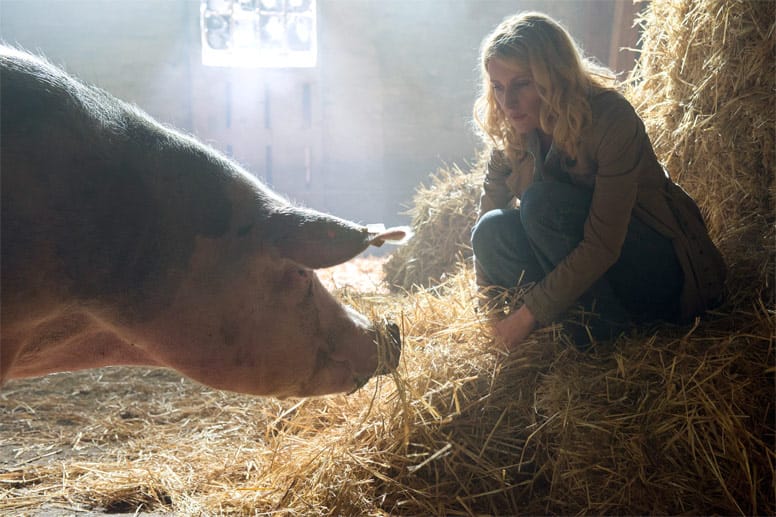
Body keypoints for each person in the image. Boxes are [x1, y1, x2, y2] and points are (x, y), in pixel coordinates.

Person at [470, 12, 726, 351]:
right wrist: (487, 313)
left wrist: (525, 316)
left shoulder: (610, 119)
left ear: (553, 77)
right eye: (498, 87)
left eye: (522, 84)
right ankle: (570, 325)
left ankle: (601, 336)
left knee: (542, 205)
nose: (508, 102)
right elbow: (485, 225)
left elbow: (603, 244)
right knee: (491, 229)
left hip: (660, 271)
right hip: (591, 279)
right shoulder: (513, 131)